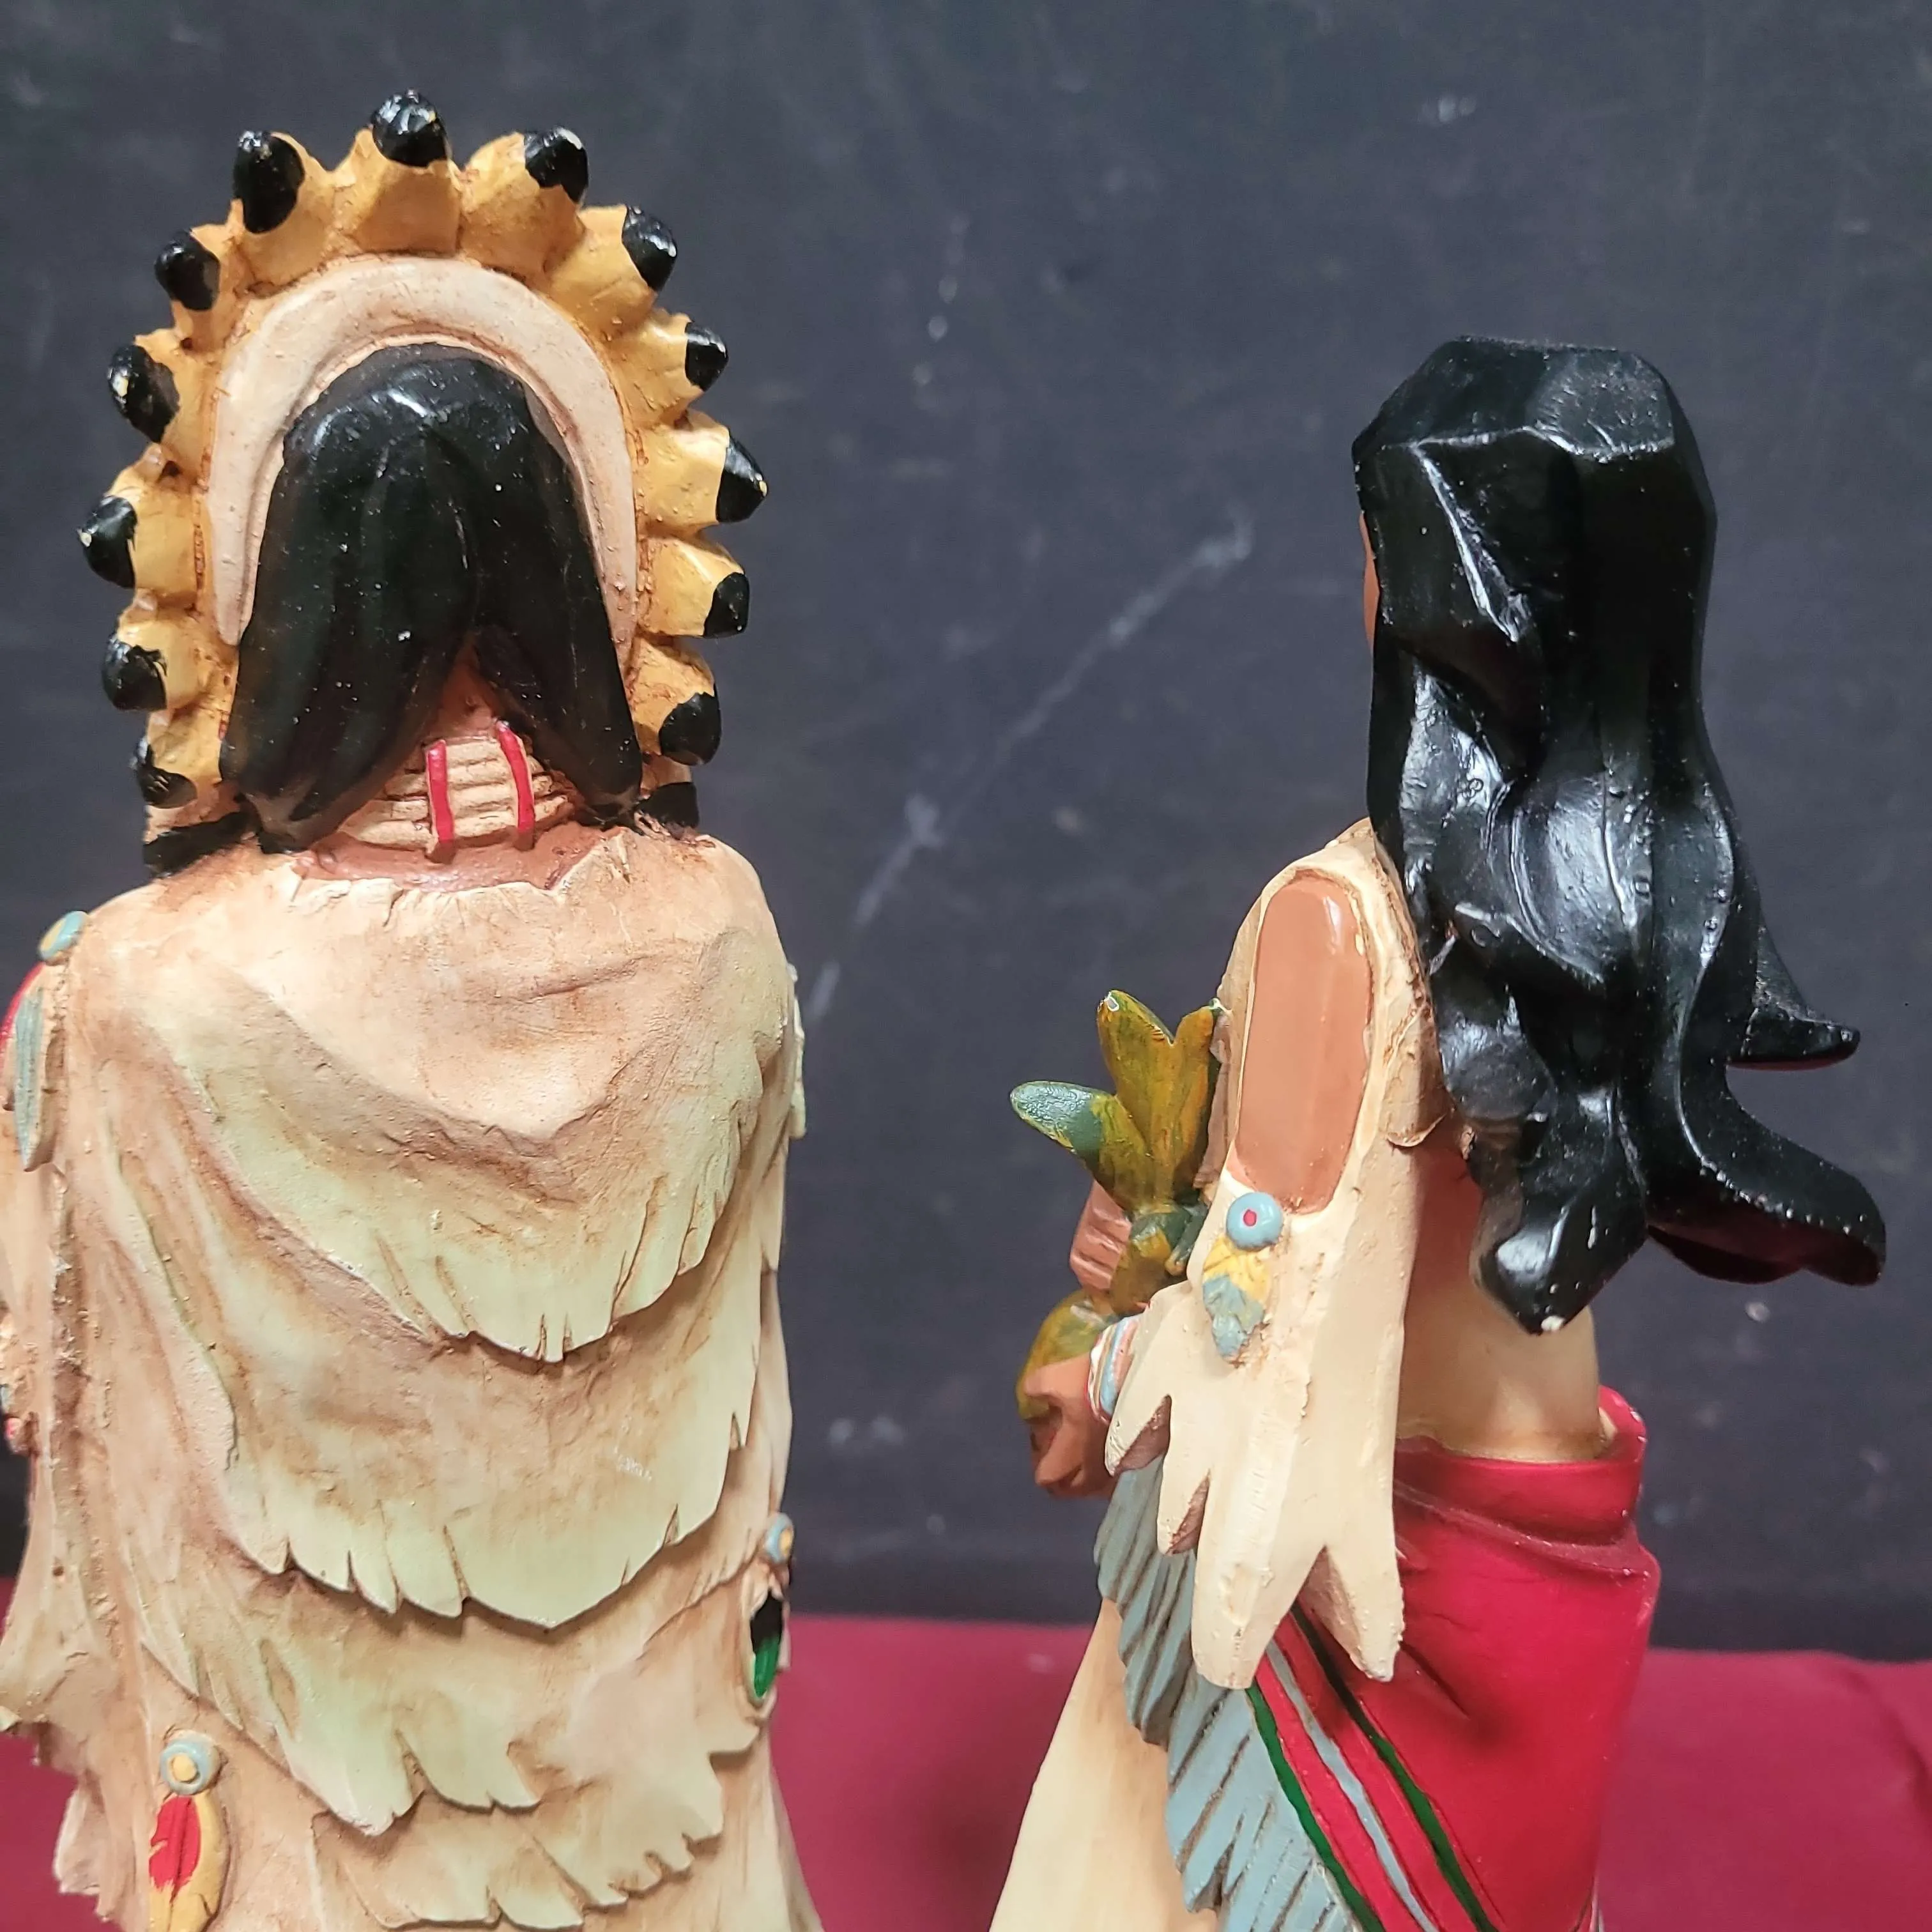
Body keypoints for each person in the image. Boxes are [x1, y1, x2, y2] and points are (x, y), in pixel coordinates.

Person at [0, 105, 815, 1932]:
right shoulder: (720, 931)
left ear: (275, 597)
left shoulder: (133, 993)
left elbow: (54, 1399)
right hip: (653, 1811)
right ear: (582, 572)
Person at [995, 338, 1885, 1932]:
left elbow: (1257, 1328)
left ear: (1420, 584)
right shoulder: (1634, 902)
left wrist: (1104, 1374)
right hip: (1539, 1528)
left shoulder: (1341, 923)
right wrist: (1171, 1232)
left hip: (1371, 1572)